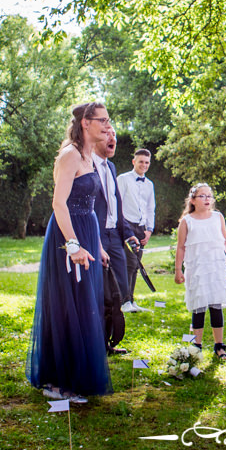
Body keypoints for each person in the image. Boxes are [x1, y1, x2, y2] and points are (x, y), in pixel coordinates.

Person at [27, 102, 114, 402]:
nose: (107, 125)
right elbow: (59, 203)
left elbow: (90, 207)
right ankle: (56, 381)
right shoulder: (71, 154)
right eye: (101, 120)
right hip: (67, 236)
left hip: (87, 233)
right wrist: (74, 245)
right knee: (67, 306)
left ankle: (77, 376)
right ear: (85, 123)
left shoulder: (91, 156)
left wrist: (98, 246)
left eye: (108, 120)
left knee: (84, 306)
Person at [174, 183, 226, 362]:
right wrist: (178, 270)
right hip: (197, 269)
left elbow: (225, 240)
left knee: (216, 305)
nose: (207, 199)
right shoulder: (187, 221)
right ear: (193, 200)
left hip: (215, 267)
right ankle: (197, 346)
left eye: (209, 196)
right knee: (199, 307)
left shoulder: (218, 217)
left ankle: (219, 345)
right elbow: (180, 247)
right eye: (202, 196)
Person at [93, 127, 140, 352]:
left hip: (114, 236)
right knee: (99, 291)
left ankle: (108, 342)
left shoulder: (111, 167)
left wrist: (127, 232)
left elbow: (115, 206)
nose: (113, 139)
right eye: (108, 135)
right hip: (97, 234)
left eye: (115, 137)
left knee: (119, 290)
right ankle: (97, 344)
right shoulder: (85, 165)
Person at [118, 148, 156, 312]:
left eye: (147, 162)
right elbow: (116, 204)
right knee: (129, 263)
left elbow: (150, 208)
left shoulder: (149, 184)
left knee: (136, 266)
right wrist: (123, 228)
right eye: (141, 161)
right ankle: (124, 301)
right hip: (127, 226)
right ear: (134, 162)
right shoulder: (123, 179)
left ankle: (130, 300)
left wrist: (149, 230)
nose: (144, 165)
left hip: (141, 228)